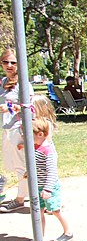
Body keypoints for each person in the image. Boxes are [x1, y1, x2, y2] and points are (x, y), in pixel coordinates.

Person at [23, 96, 73, 241]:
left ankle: (68, 232)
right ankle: (39, 238)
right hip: (38, 186)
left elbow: (51, 172)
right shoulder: (36, 148)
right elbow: (34, 163)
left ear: (40, 135)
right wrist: (28, 171)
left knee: (56, 211)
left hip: (49, 187)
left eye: (30, 136)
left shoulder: (48, 151)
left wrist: (48, 188)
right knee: (38, 212)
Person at [0, 48, 34, 213]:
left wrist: (9, 108)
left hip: (18, 129)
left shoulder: (23, 83)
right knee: (13, 165)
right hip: (6, 130)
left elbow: (30, 107)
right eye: (6, 62)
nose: (9, 65)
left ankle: (20, 199)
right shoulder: (2, 83)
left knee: (22, 166)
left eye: (13, 62)